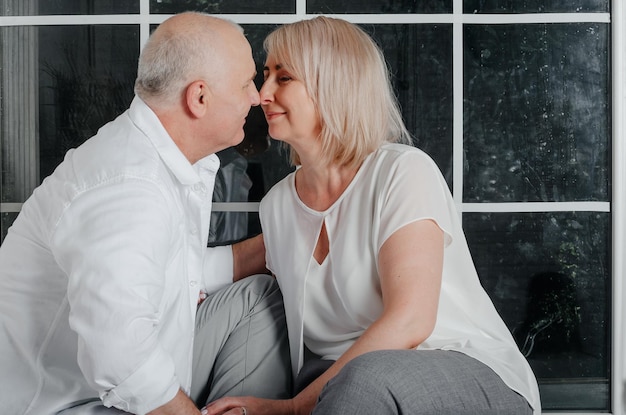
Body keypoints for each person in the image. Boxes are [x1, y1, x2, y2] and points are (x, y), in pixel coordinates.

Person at [204, 16, 541, 415]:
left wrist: (291, 408)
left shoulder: (402, 172)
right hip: (342, 387)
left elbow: (410, 322)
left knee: (363, 380)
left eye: (284, 78)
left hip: (460, 368)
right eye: (266, 76)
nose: (262, 95)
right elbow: (252, 258)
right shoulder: (278, 205)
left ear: (333, 85)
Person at [0, 12, 291, 415]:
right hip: (65, 402)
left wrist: (282, 241)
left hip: (97, 379)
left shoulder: (160, 157)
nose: (256, 97)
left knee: (257, 298)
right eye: (246, 84)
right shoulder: (130, 189)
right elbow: (120, 358)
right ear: (199, 97)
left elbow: (172, 272)